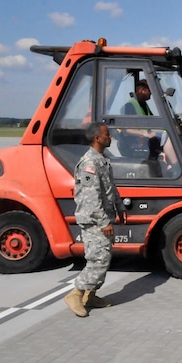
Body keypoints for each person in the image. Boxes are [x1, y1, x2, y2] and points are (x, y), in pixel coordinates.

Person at [63, 122, 126, 318]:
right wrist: (103, 222)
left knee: (103, 257)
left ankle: (90, 295)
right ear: (97, 138)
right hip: (93, 220)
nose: (111, 137)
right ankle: (76, 293)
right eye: (107, 135)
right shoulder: (90, 164)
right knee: (98, 259)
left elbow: (110, 188)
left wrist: (120, 207)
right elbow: (90, 198)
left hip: (103, 217)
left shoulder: (102, 160)